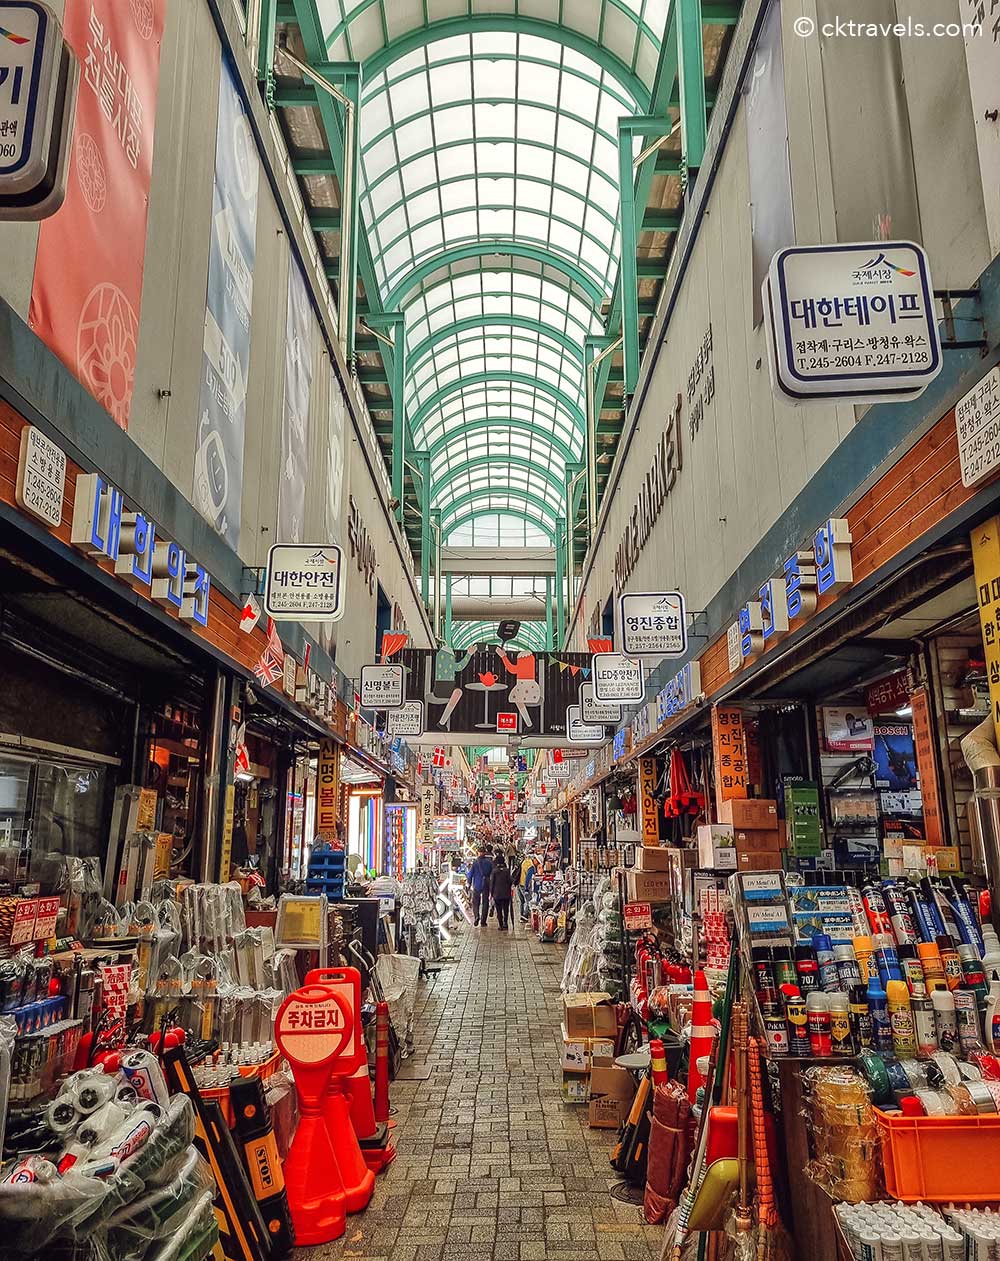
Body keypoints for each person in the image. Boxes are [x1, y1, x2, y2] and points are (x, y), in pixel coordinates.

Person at [467, 847, 493, 927]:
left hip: (477, 884)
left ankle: (476, 916)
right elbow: (492, 874)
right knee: (485, 902)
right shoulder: (489, 862)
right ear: (484, 852)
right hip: (486, 884)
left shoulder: (475, 863)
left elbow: (470, 874)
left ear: (478, 852)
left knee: (475, 902)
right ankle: (483, 921)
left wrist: (469, 884)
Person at [490, 855, 514, 931]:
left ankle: (500, 925)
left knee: (499, 910)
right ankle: (505, 923)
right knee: (506, 909)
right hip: (506, 894)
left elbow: (492, 883)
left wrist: (491, 893)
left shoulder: (494, 871)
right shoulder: (507, 871)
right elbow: (510, 881)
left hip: (497, 894)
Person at [516, 852, 536, 922]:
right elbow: (528, 877)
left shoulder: (524, 861)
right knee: (529, 901)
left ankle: (521, 915)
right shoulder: (530, 865)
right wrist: (527, 889)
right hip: (524, 885)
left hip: (519, 884)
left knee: (522, 901)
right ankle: (524, 916)